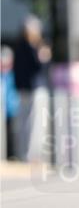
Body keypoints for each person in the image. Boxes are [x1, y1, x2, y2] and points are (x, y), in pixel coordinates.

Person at [13, 15, 51, 162]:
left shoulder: (20, 46)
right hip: (34, 89)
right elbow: (40, 66)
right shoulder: (33, 47)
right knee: (34, 124)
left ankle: (27, 153)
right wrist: (44, 56)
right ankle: (31, 155)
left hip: (25, 89)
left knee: (26, 123)